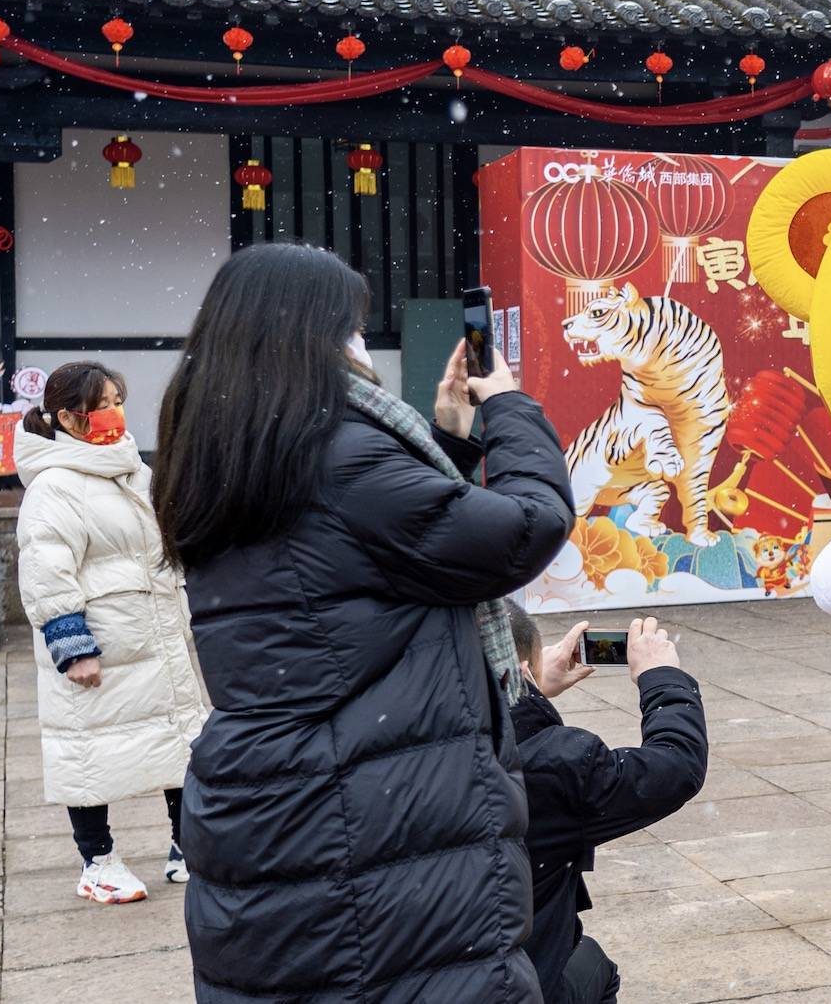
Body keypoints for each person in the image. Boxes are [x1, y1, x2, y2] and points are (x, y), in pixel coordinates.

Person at [156, 244, 574, 1002]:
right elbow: (525, 528)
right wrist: (509, 406)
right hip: (369, 810)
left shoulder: (231, 451)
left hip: (278, 800)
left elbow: (375, 554)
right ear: (306, 338)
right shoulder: (338, 455)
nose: (359, 346)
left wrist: (446, 440)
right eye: (349, 328)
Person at [15, 362, 207, 904]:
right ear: (69, 419)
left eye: (118, 398)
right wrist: (72, 645)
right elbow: (46, 570)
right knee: (87, 751)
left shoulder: (130, 470)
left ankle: (187, 846)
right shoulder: (53, 485)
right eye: (103, 403)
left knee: (179, 745)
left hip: (156, 637)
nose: (114, 412)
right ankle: (97, 861)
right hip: (101, 643)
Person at [508, 604, 708, 1004]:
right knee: (592, 966)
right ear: (520, 670)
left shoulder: (379, 743)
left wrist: (524, 691)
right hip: (508, 982)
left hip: (396, 976)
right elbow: (675, 767)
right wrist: (662, 677)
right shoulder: (554, 763)